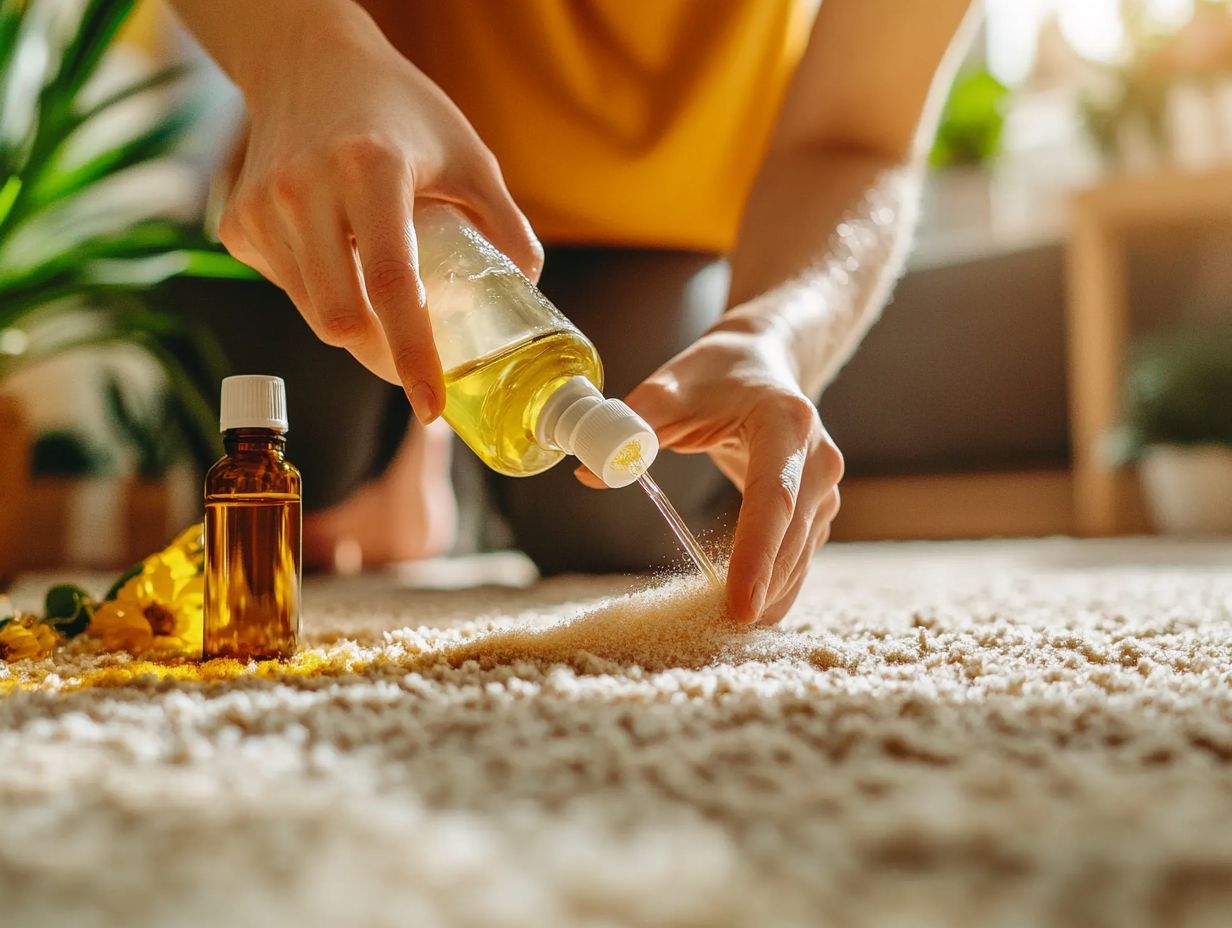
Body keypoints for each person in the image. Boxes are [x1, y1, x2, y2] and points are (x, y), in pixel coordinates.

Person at [168, 0, 975, 624]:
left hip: (644, 226)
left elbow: (856, 136)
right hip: (368, 161)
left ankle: (429, 443)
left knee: (603, 531)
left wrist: (769, 331)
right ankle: (404, 459)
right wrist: (301, 52)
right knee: (287, 468)